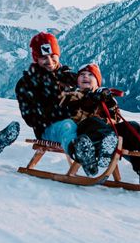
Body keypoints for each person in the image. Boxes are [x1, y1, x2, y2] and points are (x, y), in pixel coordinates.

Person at [14, 32, 115, 174]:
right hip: (48, 129)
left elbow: (90, 90)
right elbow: (31, 119)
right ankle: (82, 154)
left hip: (81, 123)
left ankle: (136, 162)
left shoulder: (69, 77)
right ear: (36, 58)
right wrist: (65, 111)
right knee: (68, 125)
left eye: (52, 56)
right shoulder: (27, 83)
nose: (49, 61)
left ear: (58, 55)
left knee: (103, 125)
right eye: (43, 57)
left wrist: (99, 97)